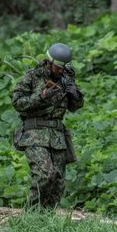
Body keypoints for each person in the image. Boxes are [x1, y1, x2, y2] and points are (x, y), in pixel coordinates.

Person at [12, 43, 84, 208]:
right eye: (57, 67)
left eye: (63, 68)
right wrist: (42, 96)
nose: (60, 71)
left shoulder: (66, 77)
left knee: (58, 181)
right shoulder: (32, 77)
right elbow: (17, 103)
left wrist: (76, 95)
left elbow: (74, 107)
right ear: (48, 62)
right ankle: (30, 216)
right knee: (45, 175)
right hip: (34, 133)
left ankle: (46, 220)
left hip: (56, 135)